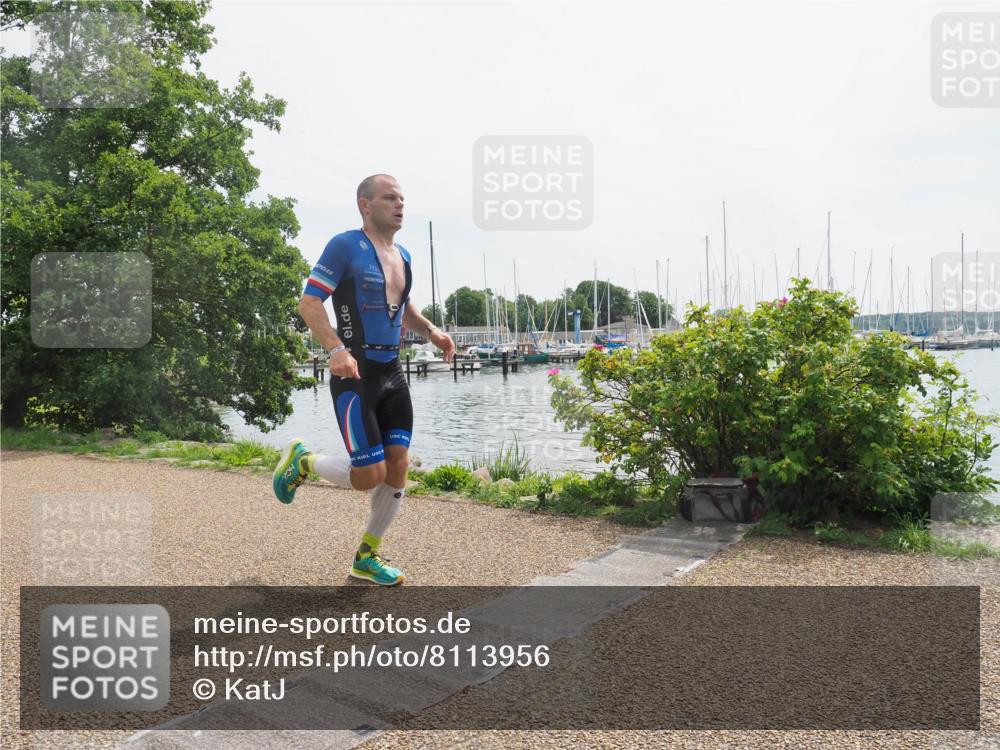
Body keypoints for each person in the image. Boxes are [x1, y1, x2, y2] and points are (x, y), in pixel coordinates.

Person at [272, 174, 455, 585]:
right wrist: (336, 349)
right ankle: (303, 461)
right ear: (364, 205)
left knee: (399, 464)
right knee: (369, 475)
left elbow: (403, 308)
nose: (400, 205)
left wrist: (432, 332)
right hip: (355, 373)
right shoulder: (344, 246)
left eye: (402, 198)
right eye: (390, 198)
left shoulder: (403, 254)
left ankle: (367, 556)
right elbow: (309, 301)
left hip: (393, 371)